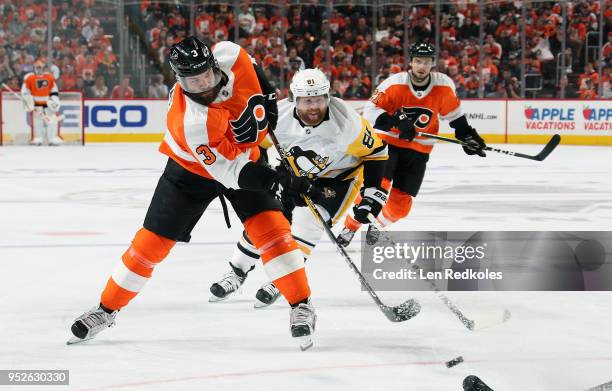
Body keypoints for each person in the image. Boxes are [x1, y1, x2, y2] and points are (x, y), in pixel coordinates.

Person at [69, 37, 322, 350]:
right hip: (190, 171)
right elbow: (234, 172)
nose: (203, 85)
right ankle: (106, 309)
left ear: (214, 65)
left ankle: (301, 304)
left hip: (244, 156)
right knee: (149, 246)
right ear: (179, 80)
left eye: (206, 75)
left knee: (273, 230)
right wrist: (278, 180)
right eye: (193, 81)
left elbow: (254, 68)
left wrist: (269, 99)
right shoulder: (192, 121)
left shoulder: (229, 53)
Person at [207, 68, 388, 307]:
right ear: (294, 99)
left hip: (339, 178)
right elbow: (255, 145)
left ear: (328, 97)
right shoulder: (276, 116)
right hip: (292, 174)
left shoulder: (347, 123)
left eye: (319, 99)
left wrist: (372, 194)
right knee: (267, 218)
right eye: (307, 100)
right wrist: (273, 174)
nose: (313, 106)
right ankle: (237, 271)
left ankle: (284, 279)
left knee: (308, 225)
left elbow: (377, 152)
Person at [337, 42, 487, 246]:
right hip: (388, 144)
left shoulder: (443, 86)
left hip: (418, 151)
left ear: (432, 63)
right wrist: (397, 121)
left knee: (401, 207)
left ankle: (377, 223)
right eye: (418, 61)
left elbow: (455, 115)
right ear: (411, 62)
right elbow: (370, 112)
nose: (421, 66)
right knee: (377, 188)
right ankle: (350, 227)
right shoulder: (394, 83)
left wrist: (467, 136)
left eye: (426, 62)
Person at [21, 61, 62, 146]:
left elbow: (53, 90)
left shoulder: (49, 77)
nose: (39, 69)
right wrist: (28, 100)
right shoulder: (30, 78)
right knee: (38, 122)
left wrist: (54, 99)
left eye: (40, 67)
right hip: (37, 105)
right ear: (34, 68)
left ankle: (52, 138)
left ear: (43, 68)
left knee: (51, 121)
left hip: (48, 105)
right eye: (37, 67)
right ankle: (38, 138)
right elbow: (25, 91)